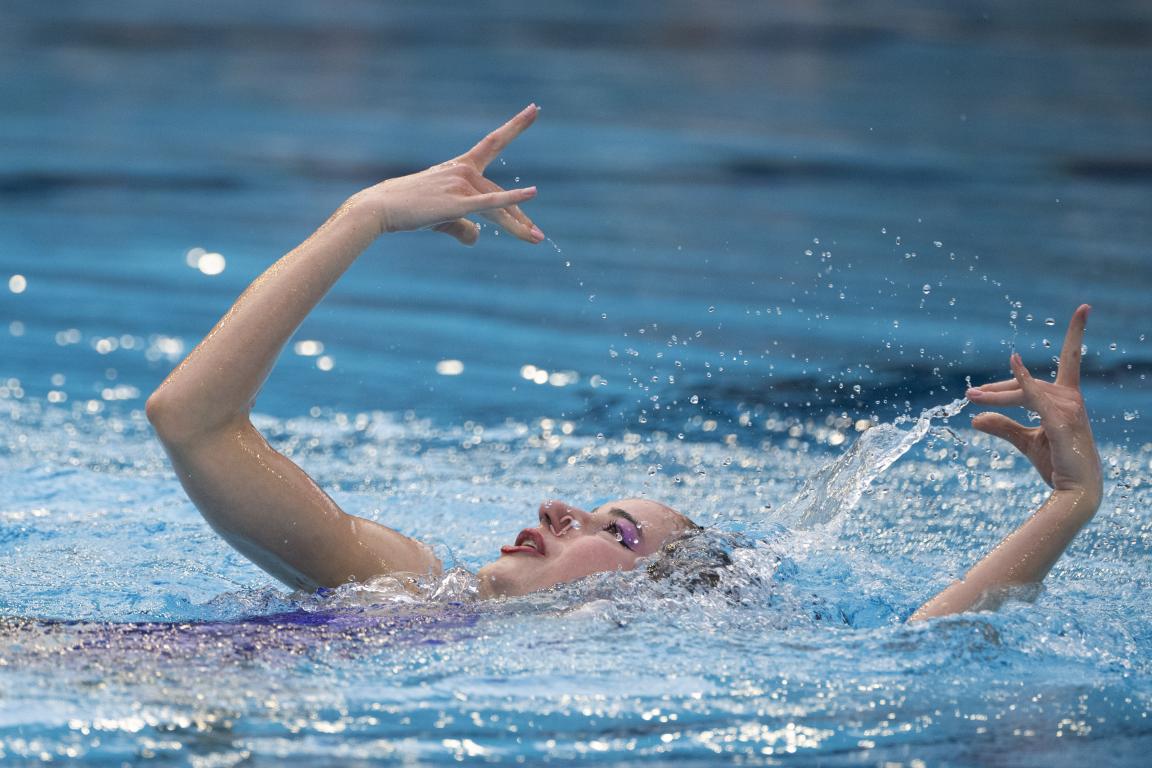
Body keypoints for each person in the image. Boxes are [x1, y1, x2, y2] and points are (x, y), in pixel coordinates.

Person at [145, 105, 1102, 618]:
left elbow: (916, 654)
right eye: (598, 509)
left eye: (617, 530)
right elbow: (190, 420)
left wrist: (1068, 508)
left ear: (653, 609)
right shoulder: (400, 586)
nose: (553, 508)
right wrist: (364, 218)